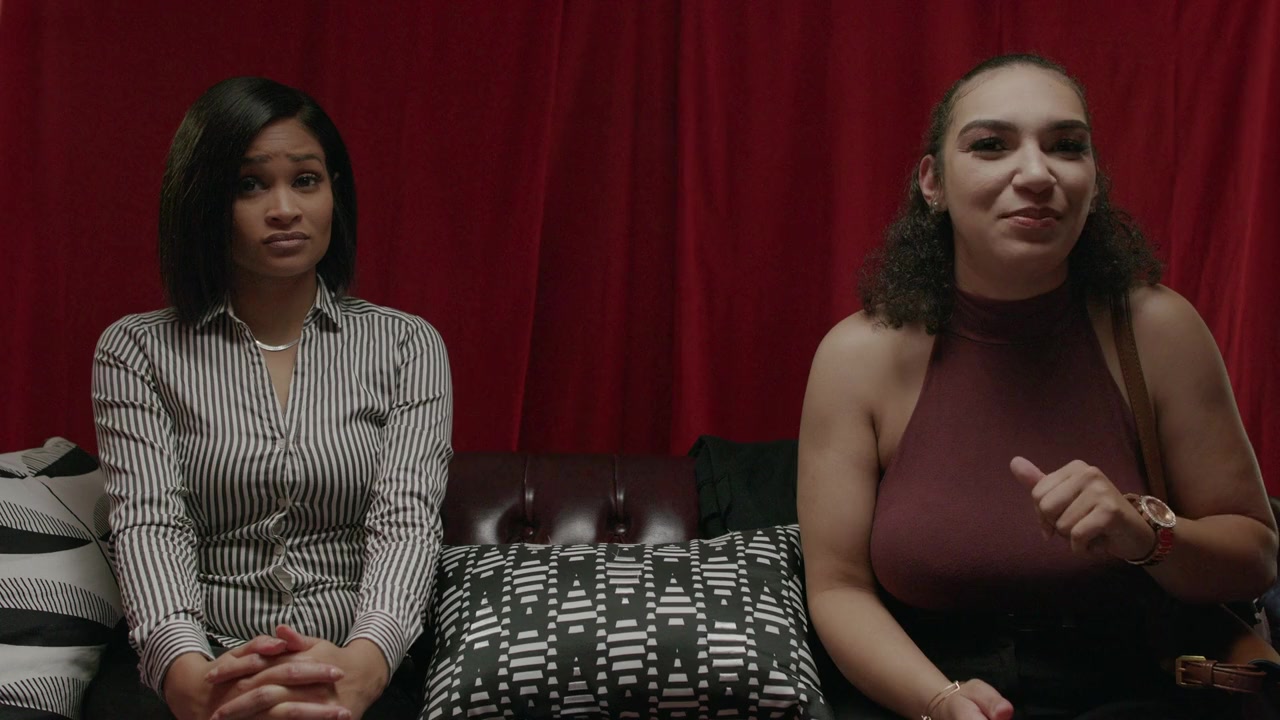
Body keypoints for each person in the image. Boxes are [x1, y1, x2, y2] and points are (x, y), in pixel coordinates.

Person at [797, 54, 1277, 720]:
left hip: (1134, 687)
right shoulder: (857, 356)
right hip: (923, 687)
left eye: (1066, 146)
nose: (1035, 173)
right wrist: (939, 700)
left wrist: (1146, 534)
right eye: (991, 145)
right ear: (933, 183)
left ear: (1092, 181)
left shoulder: (1160, 330)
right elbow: (838, 590)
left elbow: (1254, 556)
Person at [91, 77, 452, 720]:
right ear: (203, 202)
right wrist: (189, 678)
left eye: (305, 180)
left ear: (334, 191)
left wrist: (364, 668)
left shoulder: (406, 345)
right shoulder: (135, 350)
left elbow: (406, 522)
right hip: (201, 658)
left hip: (355, 660)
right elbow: (150, 523)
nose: (284, 208)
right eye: (249, 185)